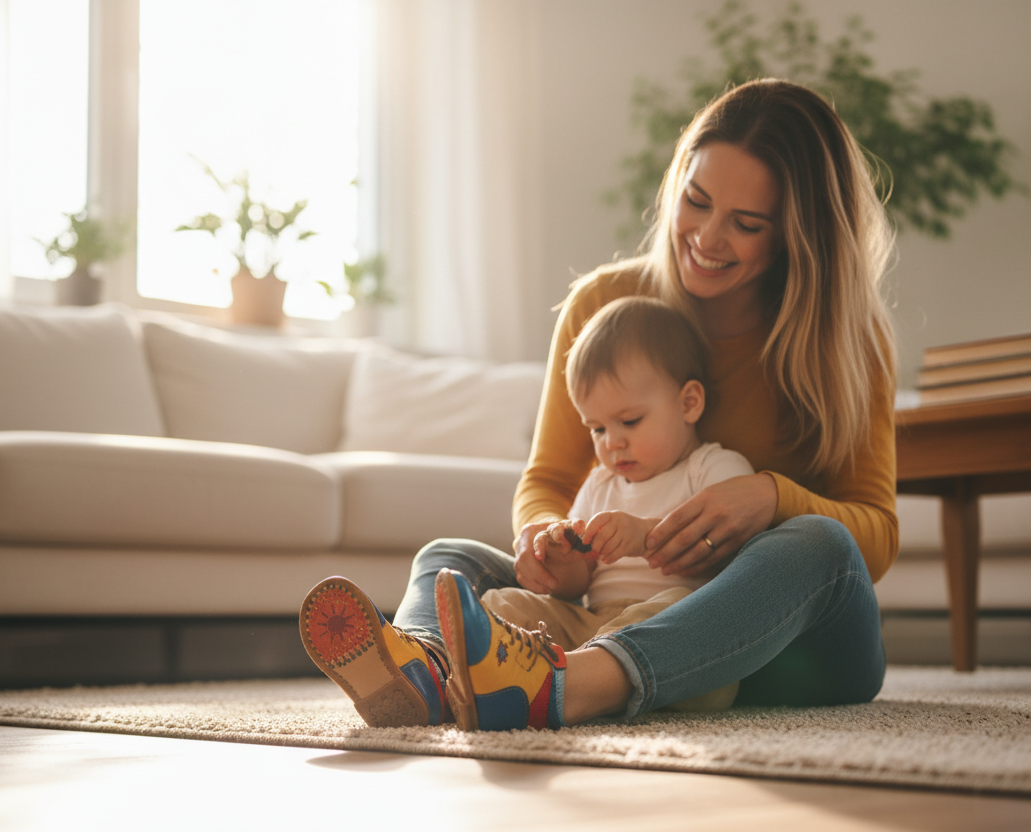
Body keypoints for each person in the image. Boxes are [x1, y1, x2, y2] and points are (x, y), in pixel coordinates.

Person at [301, 78, 898, 732]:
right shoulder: (605, 308)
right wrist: (546, 541)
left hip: (782, 641)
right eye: (695, 202)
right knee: (453, 559)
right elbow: (550, 481)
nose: (705, 236)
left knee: (820, 542)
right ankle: (423, 673)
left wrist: (771, 498)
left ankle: (576, 686)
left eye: (746, 224)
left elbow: (874, 533)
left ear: (797, 235)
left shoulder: (849, 340)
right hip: (601, 606)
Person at [476, 295, 754, 715]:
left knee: (676, 611)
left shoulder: (715, 469)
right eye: (597, 428)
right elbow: (576, 590)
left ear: (688, 403)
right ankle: (518, 674)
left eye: (629, 421)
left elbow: (733, 560)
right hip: (593, 625)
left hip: (670, 631)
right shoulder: (599, 482)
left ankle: (565, 681)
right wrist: (563, 562)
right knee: (500, 603)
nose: (613, 442)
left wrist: (643, 537)